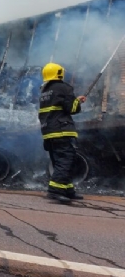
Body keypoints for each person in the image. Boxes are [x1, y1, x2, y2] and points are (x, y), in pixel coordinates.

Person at [39, 62, 86, 203]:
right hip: (62, 130)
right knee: (66, 161)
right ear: (59, 73)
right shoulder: (64, 88)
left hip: (49, 131)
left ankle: (68, 190)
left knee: (60, 162)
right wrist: (78, 102)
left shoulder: (45, 91)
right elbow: (71, 109)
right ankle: (55, 190)